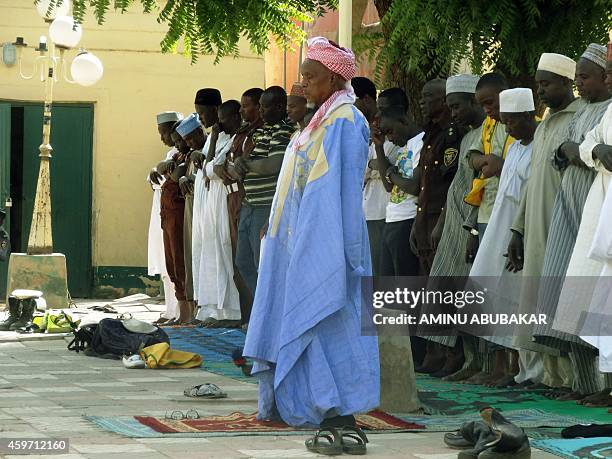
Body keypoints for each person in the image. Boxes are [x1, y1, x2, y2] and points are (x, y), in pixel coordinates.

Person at [244, 38, 379, 451]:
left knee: (329, 319)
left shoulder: (345, 121)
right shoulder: (317, 122)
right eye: (302, 76)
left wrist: (318, 243)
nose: (302, 85)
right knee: (301, 318)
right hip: (294, 240)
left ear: (335, 78)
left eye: (310, 77)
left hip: (326, 242)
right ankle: (303, 401)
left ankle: (339, 408)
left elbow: (333, 192)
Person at [529, 44, 611, 401]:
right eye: (577, 77)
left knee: (598, 296)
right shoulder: (586, 113)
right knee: (571, 294)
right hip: (572, 203)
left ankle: (600, 385)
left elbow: (586, 152)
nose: (580, 84)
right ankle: (582, 383)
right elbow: (584, 149)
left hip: (595, 208)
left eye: (585, 76)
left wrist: (578, 151)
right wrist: (578, 151)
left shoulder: (606, 109)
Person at [506, 53, 582, 391]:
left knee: (562, 299)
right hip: (536, 225)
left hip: (564, 222)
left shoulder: (580, 118)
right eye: (539, 84)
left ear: (568, 83)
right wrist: (518, 229)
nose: (541, 90)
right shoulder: (547, 122)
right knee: (538, 299)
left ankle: (572, 379)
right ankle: (548, 376)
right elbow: (533, 181)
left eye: (547, 83)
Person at [468, 88, 538, 388]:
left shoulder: (538, 146)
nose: (508, 128)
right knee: (498, 294)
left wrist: (518, 233)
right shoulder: (516, 148)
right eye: (505, 123)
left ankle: (530, 372)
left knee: (525, 301)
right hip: (501, 227)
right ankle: (510, 367)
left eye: (512, 122)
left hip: (525, 230)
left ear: (527, 116)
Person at [426, 74, 486, 381]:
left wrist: (471, 227)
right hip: (452, 222)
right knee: (444, 289)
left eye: (457, 106)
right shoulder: (467, 137)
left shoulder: (489, 133)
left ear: (474, 101)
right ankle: (458, 356)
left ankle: (470, 359)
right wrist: (440, 223)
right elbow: (456, 185)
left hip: (471, 223)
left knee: (467, 293)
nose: (454, 113)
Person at [234, 86, 294, 312]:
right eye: (258, 105)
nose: (260, 110)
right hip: (249, 204)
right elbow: (247, 161)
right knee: (243, 262)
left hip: (266, 206)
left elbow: (274, 164)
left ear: (280, 106)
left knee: (263, 265)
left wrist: (246, 165)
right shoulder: (260, 131)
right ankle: (264, 308)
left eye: (264, 106)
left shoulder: (283, 130)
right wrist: (242, 164)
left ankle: (271, 312)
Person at [195, 100, 242, 326]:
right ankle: (216, 310)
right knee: (213, 253)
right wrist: (213, 138)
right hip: (212, 201)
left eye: (224, 120)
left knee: (227, 252)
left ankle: (233, 312)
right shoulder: (221, 138)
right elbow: (208, 168)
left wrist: (212, 168)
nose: (220, 125)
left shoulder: (236, 140)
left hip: (226, 199)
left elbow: (214, 170)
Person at [225, 88, 265, 325]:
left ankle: (391, 337)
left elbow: (241, 167)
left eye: (246, 105)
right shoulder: (246, 133)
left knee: (259, 262)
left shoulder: (347, 121)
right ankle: (258, 313)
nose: (241, 111)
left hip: (258, 201)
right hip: (247, 200)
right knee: (243, 261)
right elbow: (230, 164)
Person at [355, 77, 401, 277]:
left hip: (386, 209)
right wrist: (374, 166)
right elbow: (360, 169)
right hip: (368, 208)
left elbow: (389, 171)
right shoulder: (364, 130)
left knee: (384, 271)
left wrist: (376, 165)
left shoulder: (396, 137)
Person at [372, 106, 422, 277]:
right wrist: (379, 146)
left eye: (390, 131)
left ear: (403, 121)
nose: (390, 139)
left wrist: (391, 174)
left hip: (408, 220)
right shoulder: (404, 147)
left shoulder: (421, 142)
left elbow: (414, 186)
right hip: (392, 219)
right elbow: (388, 187)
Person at [190, 88, 222, 323]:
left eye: (202, 113)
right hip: (204, 203)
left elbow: (211, 164)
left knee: (218, 254)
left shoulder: (222, 134)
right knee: (205, 253)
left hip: (217, 202)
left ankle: (222, 310)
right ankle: (208, 307)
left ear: (214, 110)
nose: (200, 118)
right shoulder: (212, 134)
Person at [155, 119, 190, 325]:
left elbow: (176, 176)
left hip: (178, 217)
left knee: (180, 263)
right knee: (171, 265)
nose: (177, 144)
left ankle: (186, 313)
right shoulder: (177, 156)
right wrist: (167, 166)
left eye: (180, 140)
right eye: (175, 141)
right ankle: (180, 312)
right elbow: (161, 168)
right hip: (167, 217)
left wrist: (172, 167)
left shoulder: (188, 158)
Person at [148, 111, 182, 324]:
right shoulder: (170, 154)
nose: (161, 138)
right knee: (166, 262)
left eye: (163, 133)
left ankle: (180, 311)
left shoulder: (180, 155)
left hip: (174, 211)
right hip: (162, 211)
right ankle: (171, 311)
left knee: (177, 262)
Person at [176, 112, 207, 323]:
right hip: (192, 211)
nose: (188, 143)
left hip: (206, 212)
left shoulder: (206, 151)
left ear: (199, 132)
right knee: (192, 258)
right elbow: (182, 177)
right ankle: (195, 309)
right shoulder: (191, 155)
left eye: (190, 138)